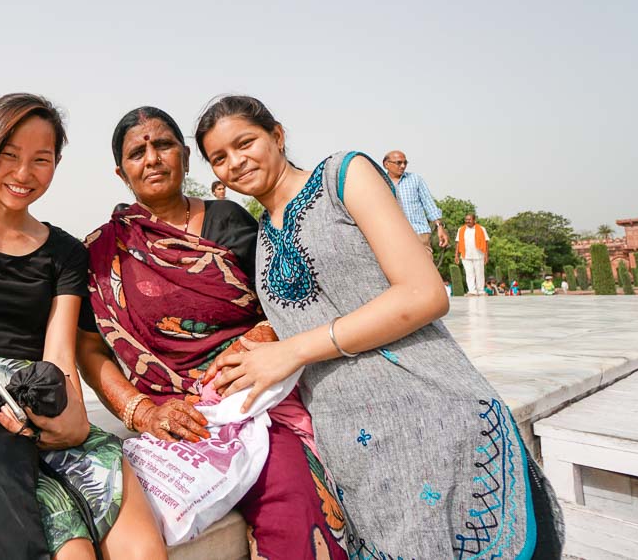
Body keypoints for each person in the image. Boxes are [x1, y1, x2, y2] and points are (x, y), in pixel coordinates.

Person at [195, 95, 563, 559]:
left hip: (435, 415)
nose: (236, 162)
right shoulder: (263, 241)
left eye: (244, 143)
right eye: (219, 158)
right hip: (361, 459)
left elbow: (423, 294)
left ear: (278, 134)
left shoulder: (343, 176)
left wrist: (292, 350)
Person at [0, 93, 165, 559]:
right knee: (72, 548)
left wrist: (74, 418)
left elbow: (59, 354)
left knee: (136, 537)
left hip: (37, 399)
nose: (23, 174)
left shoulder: (65, 253)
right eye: (10, 156)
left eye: (41, 160)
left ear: (56, 164)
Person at [78, 106, 347, 559]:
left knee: (293, 499)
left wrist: (258, 341)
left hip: (250, 396)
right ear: (121, 172)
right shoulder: (105, 250)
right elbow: (87, 345)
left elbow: (285, 303)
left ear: (184, 156)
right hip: (171, 413)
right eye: (137, 152)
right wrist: (140, 411)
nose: (152, 158)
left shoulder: (229, 221)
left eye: (163, 145)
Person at [382, 150, 448, 254]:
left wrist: (440, 226)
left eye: (405, 163)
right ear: (386, 164)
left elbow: (428, 203)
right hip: (393, 235)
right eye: (399, 163)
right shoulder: (380, 182)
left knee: (425, 266)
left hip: (419, 232)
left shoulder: (415, 179)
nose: (403, 166)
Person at [454, 213, 490, 296]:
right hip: (465, 255)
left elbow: (486, 242)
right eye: (466, 219)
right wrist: (456, 255)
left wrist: (486, 255)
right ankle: (472, 291)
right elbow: (458, 242)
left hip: (479, 255)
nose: (467, 221)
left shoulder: (481, 229)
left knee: (479, 273)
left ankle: (481, 291)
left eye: (469, 219)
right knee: (469, 273)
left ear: (474, 220)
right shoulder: (461, 229)